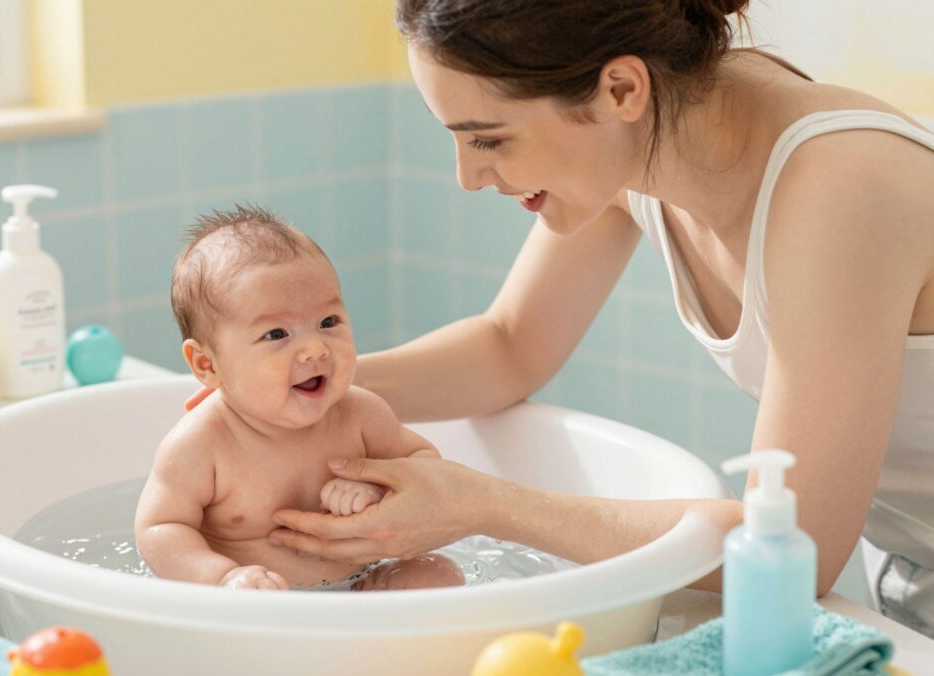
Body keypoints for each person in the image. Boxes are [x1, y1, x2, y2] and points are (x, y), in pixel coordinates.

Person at [258, 0, 934, 635]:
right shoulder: (655, 134)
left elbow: (794, 549)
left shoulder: (839, 187)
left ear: (620, 90)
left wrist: (481, 504)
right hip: (910, 574)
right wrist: (292, 385)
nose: (468, 176)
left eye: (489, 139)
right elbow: (509, 346)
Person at [135, 204, 463, 591]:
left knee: (437, 573)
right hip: (258, 607)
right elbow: (159, 529)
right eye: (277, 335)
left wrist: (379, 486)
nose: (315, 349)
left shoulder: (360, 414)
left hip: (362, 587)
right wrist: (223, 576)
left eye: (328, 322)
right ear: (207, 364)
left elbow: (426, 465)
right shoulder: (201, 444)